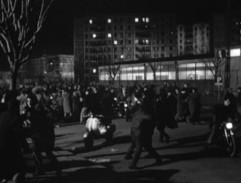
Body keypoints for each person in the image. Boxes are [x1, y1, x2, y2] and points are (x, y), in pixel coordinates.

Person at [125, 88, 162, 169]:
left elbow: (147, 116)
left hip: (140, 128)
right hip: (141, 128)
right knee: (144, 145)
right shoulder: (149, 105)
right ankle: (158, 158)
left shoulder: (144, 107)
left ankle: (133, 162)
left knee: (138, 145)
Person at [25, 93, 61, 176]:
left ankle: (42, 169)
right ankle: (49, 168)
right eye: (27, 101)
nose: (28, 102)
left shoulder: (37, 108)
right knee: (40, 152)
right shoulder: (32, 108)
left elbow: (38, 119)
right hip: (41, 134)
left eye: (29, 100)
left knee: (41, 151)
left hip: (43, 134)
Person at [0, 90, 25, 182]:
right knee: (19, 168)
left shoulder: (3, 115)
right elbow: (19, 134)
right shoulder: (14, 117)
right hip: (10, 148)